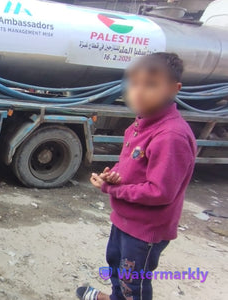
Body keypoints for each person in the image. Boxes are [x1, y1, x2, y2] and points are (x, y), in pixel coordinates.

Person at [76, 53, 197, 300]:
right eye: (134, 84)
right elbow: (132, 166)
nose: (139, 92)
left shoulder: (170, 136)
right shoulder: (140, 125)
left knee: (134, 284)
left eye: (151, 85)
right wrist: (115, 177)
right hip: (124, 218)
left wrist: (112, 190)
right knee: (116, 267)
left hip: (145, 230)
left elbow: (160, 192)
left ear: (174, 89)